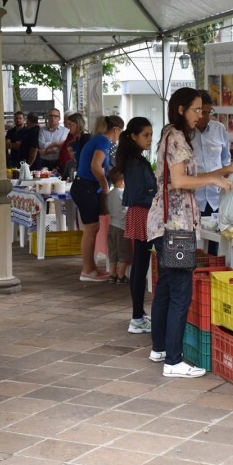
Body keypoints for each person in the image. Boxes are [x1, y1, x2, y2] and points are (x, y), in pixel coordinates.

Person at [147, 87, 233, 378]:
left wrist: (223, 171)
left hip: (168, 224)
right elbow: (180, 180)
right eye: (197, 109)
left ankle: (160, 348)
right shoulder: (176, 137)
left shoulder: (171, 134)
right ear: (181, 109)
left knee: (166, 288)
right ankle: (173, 361)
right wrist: (214, 179)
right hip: (176, 225)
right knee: (180, 292)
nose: (201, 115)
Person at [114, 116, 156, 334]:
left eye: (151, 134)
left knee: (140, 266)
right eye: (146, 135)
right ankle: (137, 317)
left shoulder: (134, 159)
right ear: (133, 136)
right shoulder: (135, 162)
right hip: (142, 214)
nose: (150, 139)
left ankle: (138, 316)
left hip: (141, 213)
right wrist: (158, 200)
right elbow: (140, 194)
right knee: (140, 267)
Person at [69, 115, 124, 282]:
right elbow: (95, 165)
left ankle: (91, 267)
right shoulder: (103, 141)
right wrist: (104, 185)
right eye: (120, 132)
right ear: (115, 129)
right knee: (90, 230)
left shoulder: (98, 140)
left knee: (92, 229)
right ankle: (87, 270)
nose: (119, 137)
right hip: (85, 187)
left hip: (85, 187)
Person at [190, 90, 233, 217]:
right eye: (203, 112)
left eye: (209, 112)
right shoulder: (183, 134)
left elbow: (226, 161)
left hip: (217, 199)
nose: (206, 117)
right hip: (193, 199)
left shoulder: (219, 129)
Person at [105, 168, 132, 284]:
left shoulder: (109, 194)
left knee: (112, 252)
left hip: (111, 226)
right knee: (124, 253)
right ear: (122, 180)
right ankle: (121, 276)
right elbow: (127, 209)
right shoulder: (123, 194)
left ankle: (112, 274)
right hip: (122, 228)